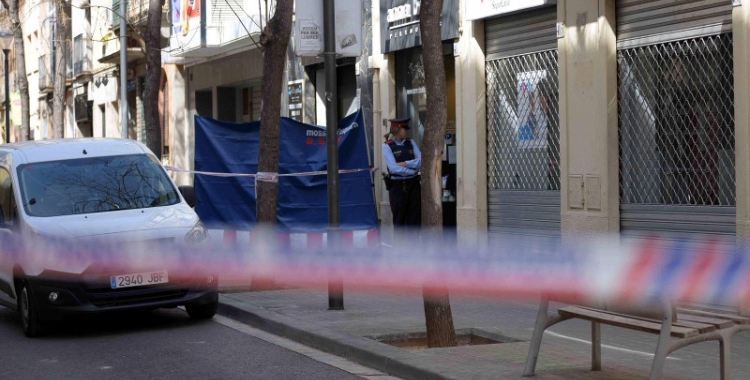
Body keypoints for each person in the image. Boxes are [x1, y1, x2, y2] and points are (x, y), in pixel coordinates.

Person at [382, 117, 421, 226]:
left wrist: (405, 164)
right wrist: (412, 172)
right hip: (397, 187)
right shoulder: (387, 146)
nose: (407, 131)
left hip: (413, 185)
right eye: (405, 129)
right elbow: (394, 168)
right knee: (399, 219)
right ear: (397, 129)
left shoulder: (411, 142)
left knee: (415, 218)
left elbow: (421, 161)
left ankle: (413, 243)